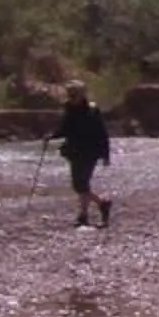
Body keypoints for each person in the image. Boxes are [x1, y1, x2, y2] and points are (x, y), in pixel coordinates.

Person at [55, 81, 113, 227]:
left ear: (82, 95)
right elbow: (64, 129)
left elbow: (102, 134)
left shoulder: (92, 110)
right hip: (74, 151)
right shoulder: (69, 109)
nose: (72, 97)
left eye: (74, 94)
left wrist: (106, 155)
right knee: (80, 185)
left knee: (81, 184)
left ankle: (86, 213)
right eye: (70, 94)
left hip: (90, 152)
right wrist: (52, 136)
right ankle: (96, 207)